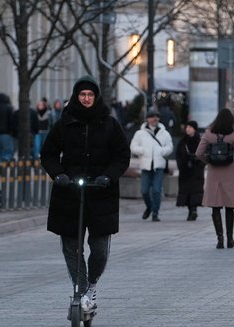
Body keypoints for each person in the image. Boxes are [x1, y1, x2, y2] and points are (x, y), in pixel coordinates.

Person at [41, 76, 131, 314]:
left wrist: (108, 176)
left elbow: (122, 155)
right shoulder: (65, 123)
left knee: (99, 249)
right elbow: (48, 153)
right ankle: (80, 290)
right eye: (82, 95)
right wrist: (58, 174)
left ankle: (91, 285)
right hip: (69, 194)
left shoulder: (110, 124)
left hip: (101, 194)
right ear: (76, 96)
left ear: (96, 97)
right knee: (71, 246)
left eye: (90, 95)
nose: (86, 98)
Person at [196, 108, 234, 249]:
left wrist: (208, 162)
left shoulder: (209, 133)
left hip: (213, 172)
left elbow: (198, 153)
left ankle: (220, 239)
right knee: (229, 206)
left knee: (215, 206)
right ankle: (230, 239)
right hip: (229, 171)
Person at [130, 111, 173, 221]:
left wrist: (163, 151)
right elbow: (133, 146)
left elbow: (170, 146)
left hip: (159, 165)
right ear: (147, 119)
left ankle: (155, 213)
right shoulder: (140, 133)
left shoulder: (164, 133)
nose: (155, 119)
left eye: (157, 117)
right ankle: (149, 207)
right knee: (144, 190)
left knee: (157, 190)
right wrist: (142, 151)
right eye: (152, 117)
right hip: (146, 165)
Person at [175, 120, 205, 221]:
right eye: (187, 127)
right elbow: (178, 155)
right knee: (186, 192)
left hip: (196, 171)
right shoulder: (182, 142)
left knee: (195, 192)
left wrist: (199, 163)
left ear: (195, 129)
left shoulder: (200, 141)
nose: (188, 129)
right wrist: (181, 165)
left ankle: (194, 210)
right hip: (185, 171)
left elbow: (204, 156)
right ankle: (190, 210)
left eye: (190, 127)